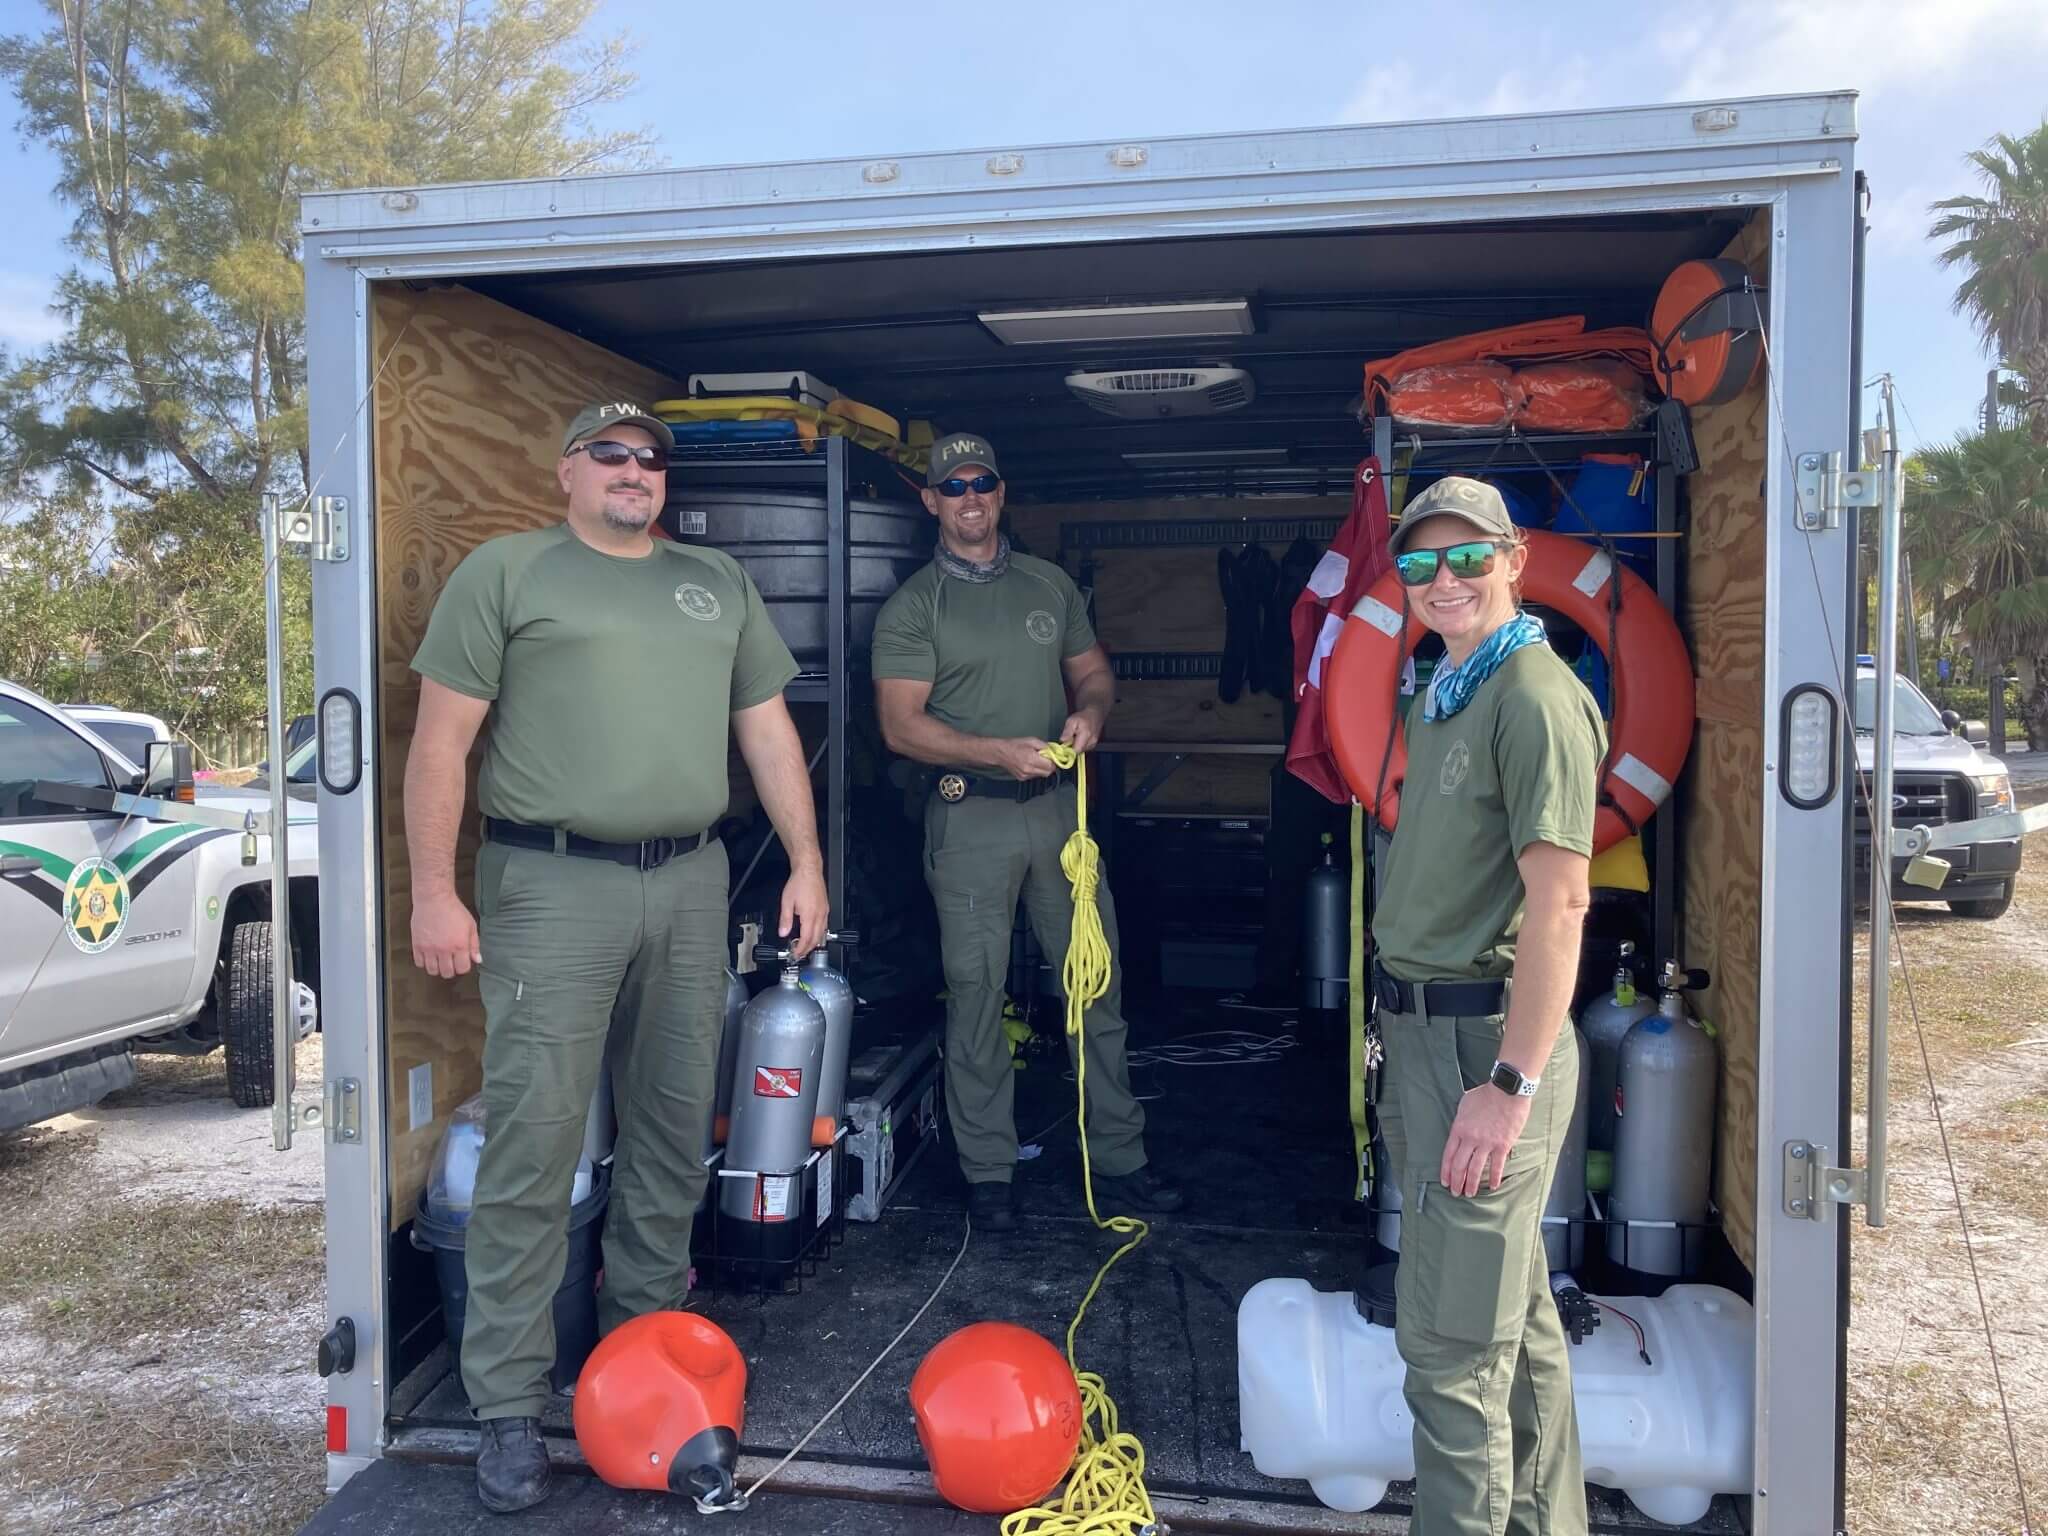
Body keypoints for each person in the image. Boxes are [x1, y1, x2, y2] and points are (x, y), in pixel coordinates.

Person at [406, 400, 829, 1513]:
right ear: (566, 471)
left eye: (649, 458)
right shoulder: (507, 574)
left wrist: (805, 861)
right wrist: (436, 892)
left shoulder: (714, 582)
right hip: (550, 879)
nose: (634, 470)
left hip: (690, 877)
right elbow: (441, 742)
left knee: (671, 1128)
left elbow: (767, 729)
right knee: (536, 1138)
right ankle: (507, 1403)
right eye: (611, 454)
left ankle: (640, 1362)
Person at [870, 433, 1182, 1233]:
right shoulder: (915, 606)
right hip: (968, 814)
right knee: (977, 994)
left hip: (1057, 814)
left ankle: (1120, 1161)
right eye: (953, 486)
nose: (970, 497)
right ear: (931, 501)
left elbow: (1094, 673)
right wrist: (995, 753)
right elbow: (901, 726)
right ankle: (989, 1173)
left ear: (1001, 492)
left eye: (983, 482)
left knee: (1095, 983)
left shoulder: (1049, 584)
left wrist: (1092, 714)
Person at [1368, 477, 1602, 1536]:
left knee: (1451, 1353)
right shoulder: (1449, 688)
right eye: (1420, 563)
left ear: (1513, 560)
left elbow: (1562, 904)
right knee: (1518, 1324)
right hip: (1425, 1038)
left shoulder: (1533, 697)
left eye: (1467, 557)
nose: (1444, 579)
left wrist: (1508, 1085)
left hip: (1481, 1049)